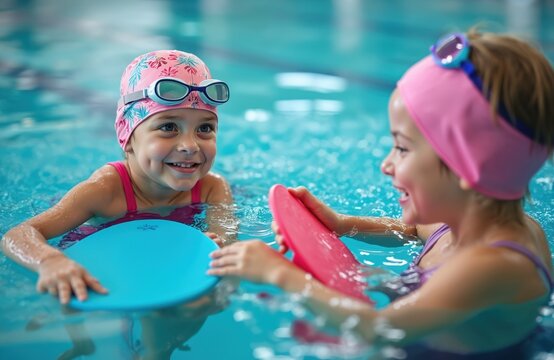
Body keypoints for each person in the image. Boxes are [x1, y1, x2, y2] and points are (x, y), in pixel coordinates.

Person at [208, 29, 554, 357]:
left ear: (466, 166)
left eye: (402, 149)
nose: (386, 165)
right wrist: (343, 224)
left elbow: (376, 328)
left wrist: (279, 274)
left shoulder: (495, 264)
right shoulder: (456, 226)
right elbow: (409, 231)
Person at [1, 49, 234, 305]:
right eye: (168, 127)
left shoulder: (213, 187)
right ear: (128, 136)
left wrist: (218, 247)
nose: (190, 145)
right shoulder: (105, 190)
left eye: (205, 128)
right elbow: (18, 234)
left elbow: (227, 250)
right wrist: (50, 261)